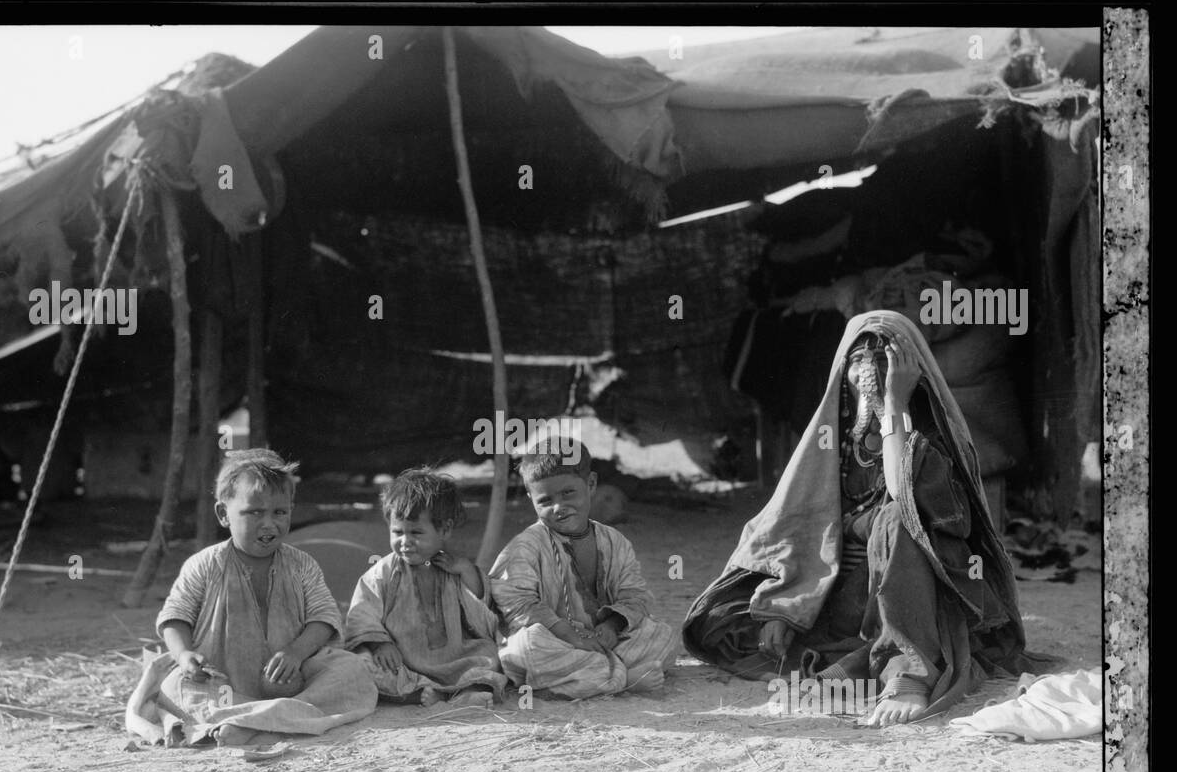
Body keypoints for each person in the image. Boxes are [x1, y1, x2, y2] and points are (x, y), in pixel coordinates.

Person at [684, 310, 1057, 726]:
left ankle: (907, 674)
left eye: (886, 358)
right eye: (859, 358)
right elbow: (787, 523)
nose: (871, 371)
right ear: (842, 371)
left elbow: (904, 498)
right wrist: (782, 605)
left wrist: (895, 405)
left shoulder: (930, 440)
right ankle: (857, 661)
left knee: (897, 519)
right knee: (724, 624)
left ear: (912, 370)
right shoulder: (832, 445)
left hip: (917, 594)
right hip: (841, 593)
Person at [142, 449, 377, 745]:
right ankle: (272, 720)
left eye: (279, 512)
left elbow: (324, 618)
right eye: (254, 512)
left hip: (296, 678)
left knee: (352, 673)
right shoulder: (204, 564)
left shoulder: (302, 564)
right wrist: (185, 655)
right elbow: (175, 617)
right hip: (223, 683)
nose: (269, 524)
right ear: (222, 514)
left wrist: (295, 653)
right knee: (176, 686)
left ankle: (251, 723)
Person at [489, 440, 680, 699]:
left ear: (590, 484)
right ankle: (623, 680)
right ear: (530, 499)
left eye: (568, 493)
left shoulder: (615, 541)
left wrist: (612, 627)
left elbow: (634, 594)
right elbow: (516, 605)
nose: (558, 507)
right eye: (545, 500)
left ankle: (589, 676)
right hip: (555, 641)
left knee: (662, 636)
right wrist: (570, 635)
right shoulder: (525, 547)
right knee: (528, 648)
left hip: (601, 641)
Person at [344, 468, 509, 708]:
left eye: (416, 533)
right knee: (361, 664)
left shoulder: (453, 566)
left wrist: (466, 571)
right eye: (398, 532)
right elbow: (361, 613)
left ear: (445, 529)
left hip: (455, 657)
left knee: (490, 656)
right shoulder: (384, 572)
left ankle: (467, 692)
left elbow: (482, 614)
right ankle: (417, 694)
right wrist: (380, 643)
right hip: (403, 661)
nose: (405, 541)